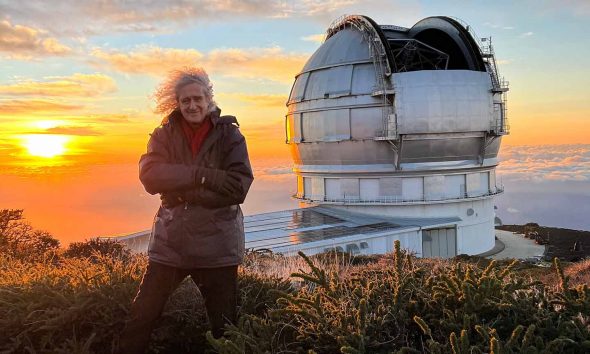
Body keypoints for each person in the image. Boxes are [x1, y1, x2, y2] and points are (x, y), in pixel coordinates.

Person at [118, 67, 254, 354]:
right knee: (140, 319)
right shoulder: (163, 134)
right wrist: (202, 176)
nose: (192, 105)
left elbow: (237, 188)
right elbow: (151, 176)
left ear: (209, 99)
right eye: (185, 101)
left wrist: (180, 190)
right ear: (176, 104)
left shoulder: (230, 136)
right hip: (171, 246)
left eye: (197, 99)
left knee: (225, 329)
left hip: (217, 249)